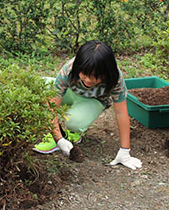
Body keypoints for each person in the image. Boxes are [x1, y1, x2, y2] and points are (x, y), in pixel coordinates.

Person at [33, 40, 142, 170]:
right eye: (85, 74)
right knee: (40, 86)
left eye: (96, 77)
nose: (89, 80)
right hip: (71, 93)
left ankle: (73, 133)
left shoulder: (114, 77)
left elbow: (121, 112)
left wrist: (125, 150)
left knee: (74, 121)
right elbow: (51, 106)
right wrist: (59, 139)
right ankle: (58, 133)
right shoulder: (70, 68)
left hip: (94, 101)